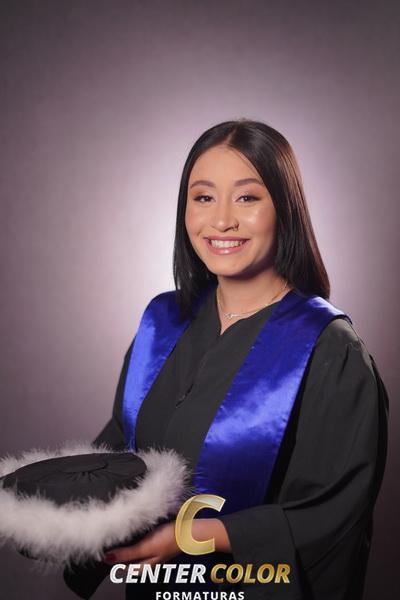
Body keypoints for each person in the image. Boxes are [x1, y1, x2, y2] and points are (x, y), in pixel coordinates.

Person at [70, 119, 389, 600]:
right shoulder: (162, 324)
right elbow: (119, 452)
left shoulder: (329, 349)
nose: (221, 221)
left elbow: (334, 511)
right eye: (203, 197)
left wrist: (195, 537)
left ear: (284, 209)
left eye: (246, 198)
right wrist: (48, 509)